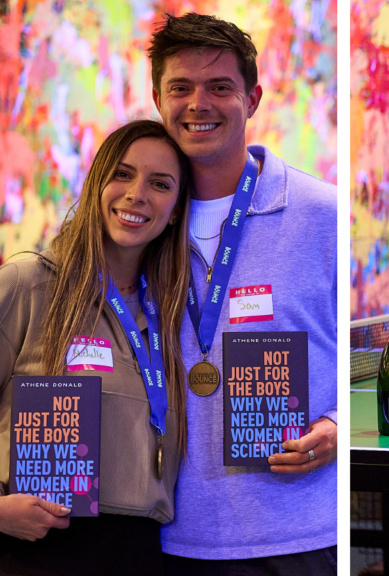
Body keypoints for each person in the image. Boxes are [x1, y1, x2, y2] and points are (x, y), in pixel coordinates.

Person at [147, 13, 338, 572]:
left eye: (220, 87)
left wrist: (335, 428)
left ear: (252, 98)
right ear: (158, 99)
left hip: (299, 535)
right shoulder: (141, 221)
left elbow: (364, 357)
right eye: (180, 87)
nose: (197, 103)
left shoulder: (321, 214)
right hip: (169, 534)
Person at [0, 120, 192, 574]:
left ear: (178, 210)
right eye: (122, 174)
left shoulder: (170, 313)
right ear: (96, 184)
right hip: (37, 551)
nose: (136, 194)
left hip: (141, 553)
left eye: (159, 184)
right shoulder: (27, 284)